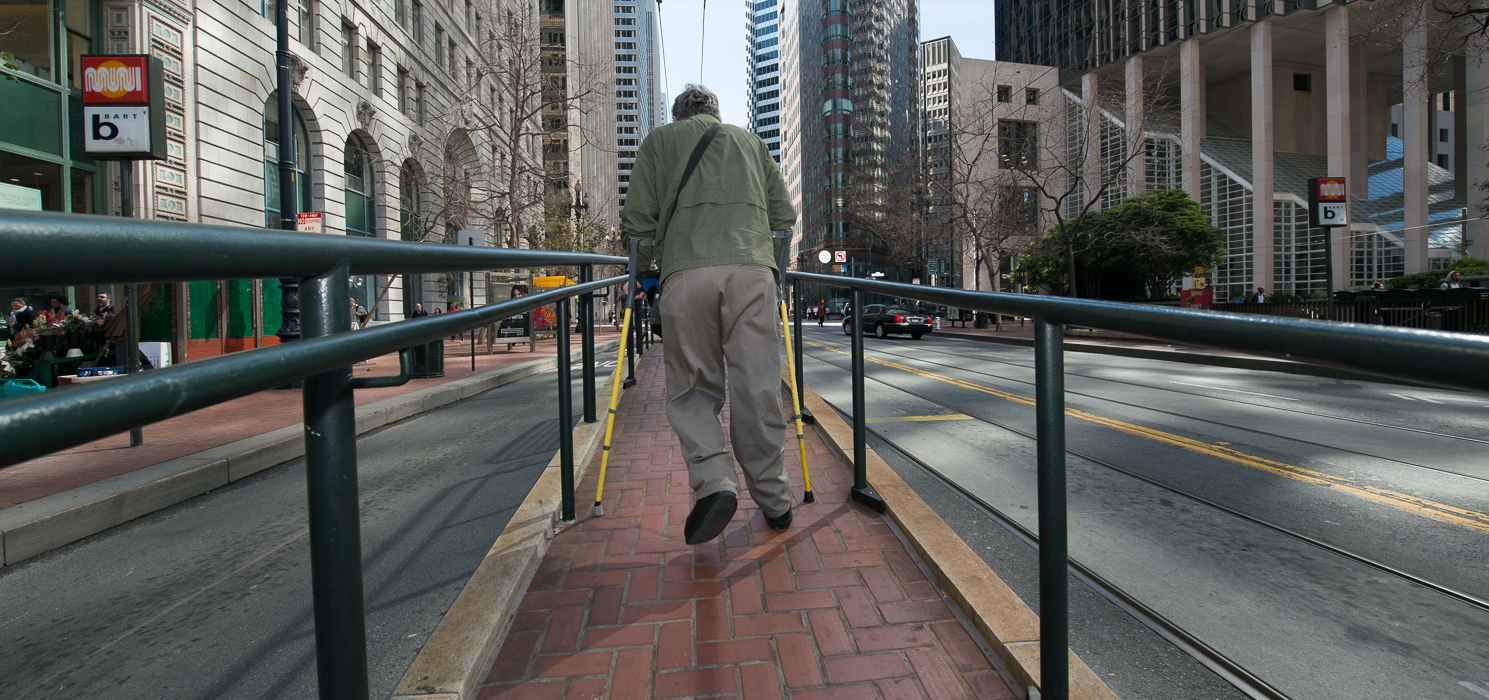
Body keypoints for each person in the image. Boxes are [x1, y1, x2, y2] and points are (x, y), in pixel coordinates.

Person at [623, 84, 798, 544]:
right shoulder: (750, 142)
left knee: (693, 389)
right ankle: (775, 500)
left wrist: (643, 280)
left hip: (685, 273)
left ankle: (716, 483)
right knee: (757, 387)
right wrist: (771, 269)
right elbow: (784, 216)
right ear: (716, 115)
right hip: (752, 273)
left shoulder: (659, 142)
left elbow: (638, 223)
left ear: (679, 117)